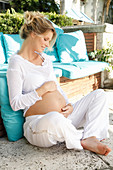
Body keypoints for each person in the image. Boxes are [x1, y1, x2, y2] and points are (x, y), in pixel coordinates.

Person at [7, 11, 111, 156]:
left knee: (99, 95)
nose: (47, 45)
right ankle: (78, 138)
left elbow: (56, 88)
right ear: (33, 34)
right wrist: (41, 91)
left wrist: (68, 105)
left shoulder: (46, 60)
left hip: (65, 117)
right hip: (40, 123)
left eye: (49, 40)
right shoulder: (17, 62)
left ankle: (90, 136)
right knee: (55, 118)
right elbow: (15, 103)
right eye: (45, 39)